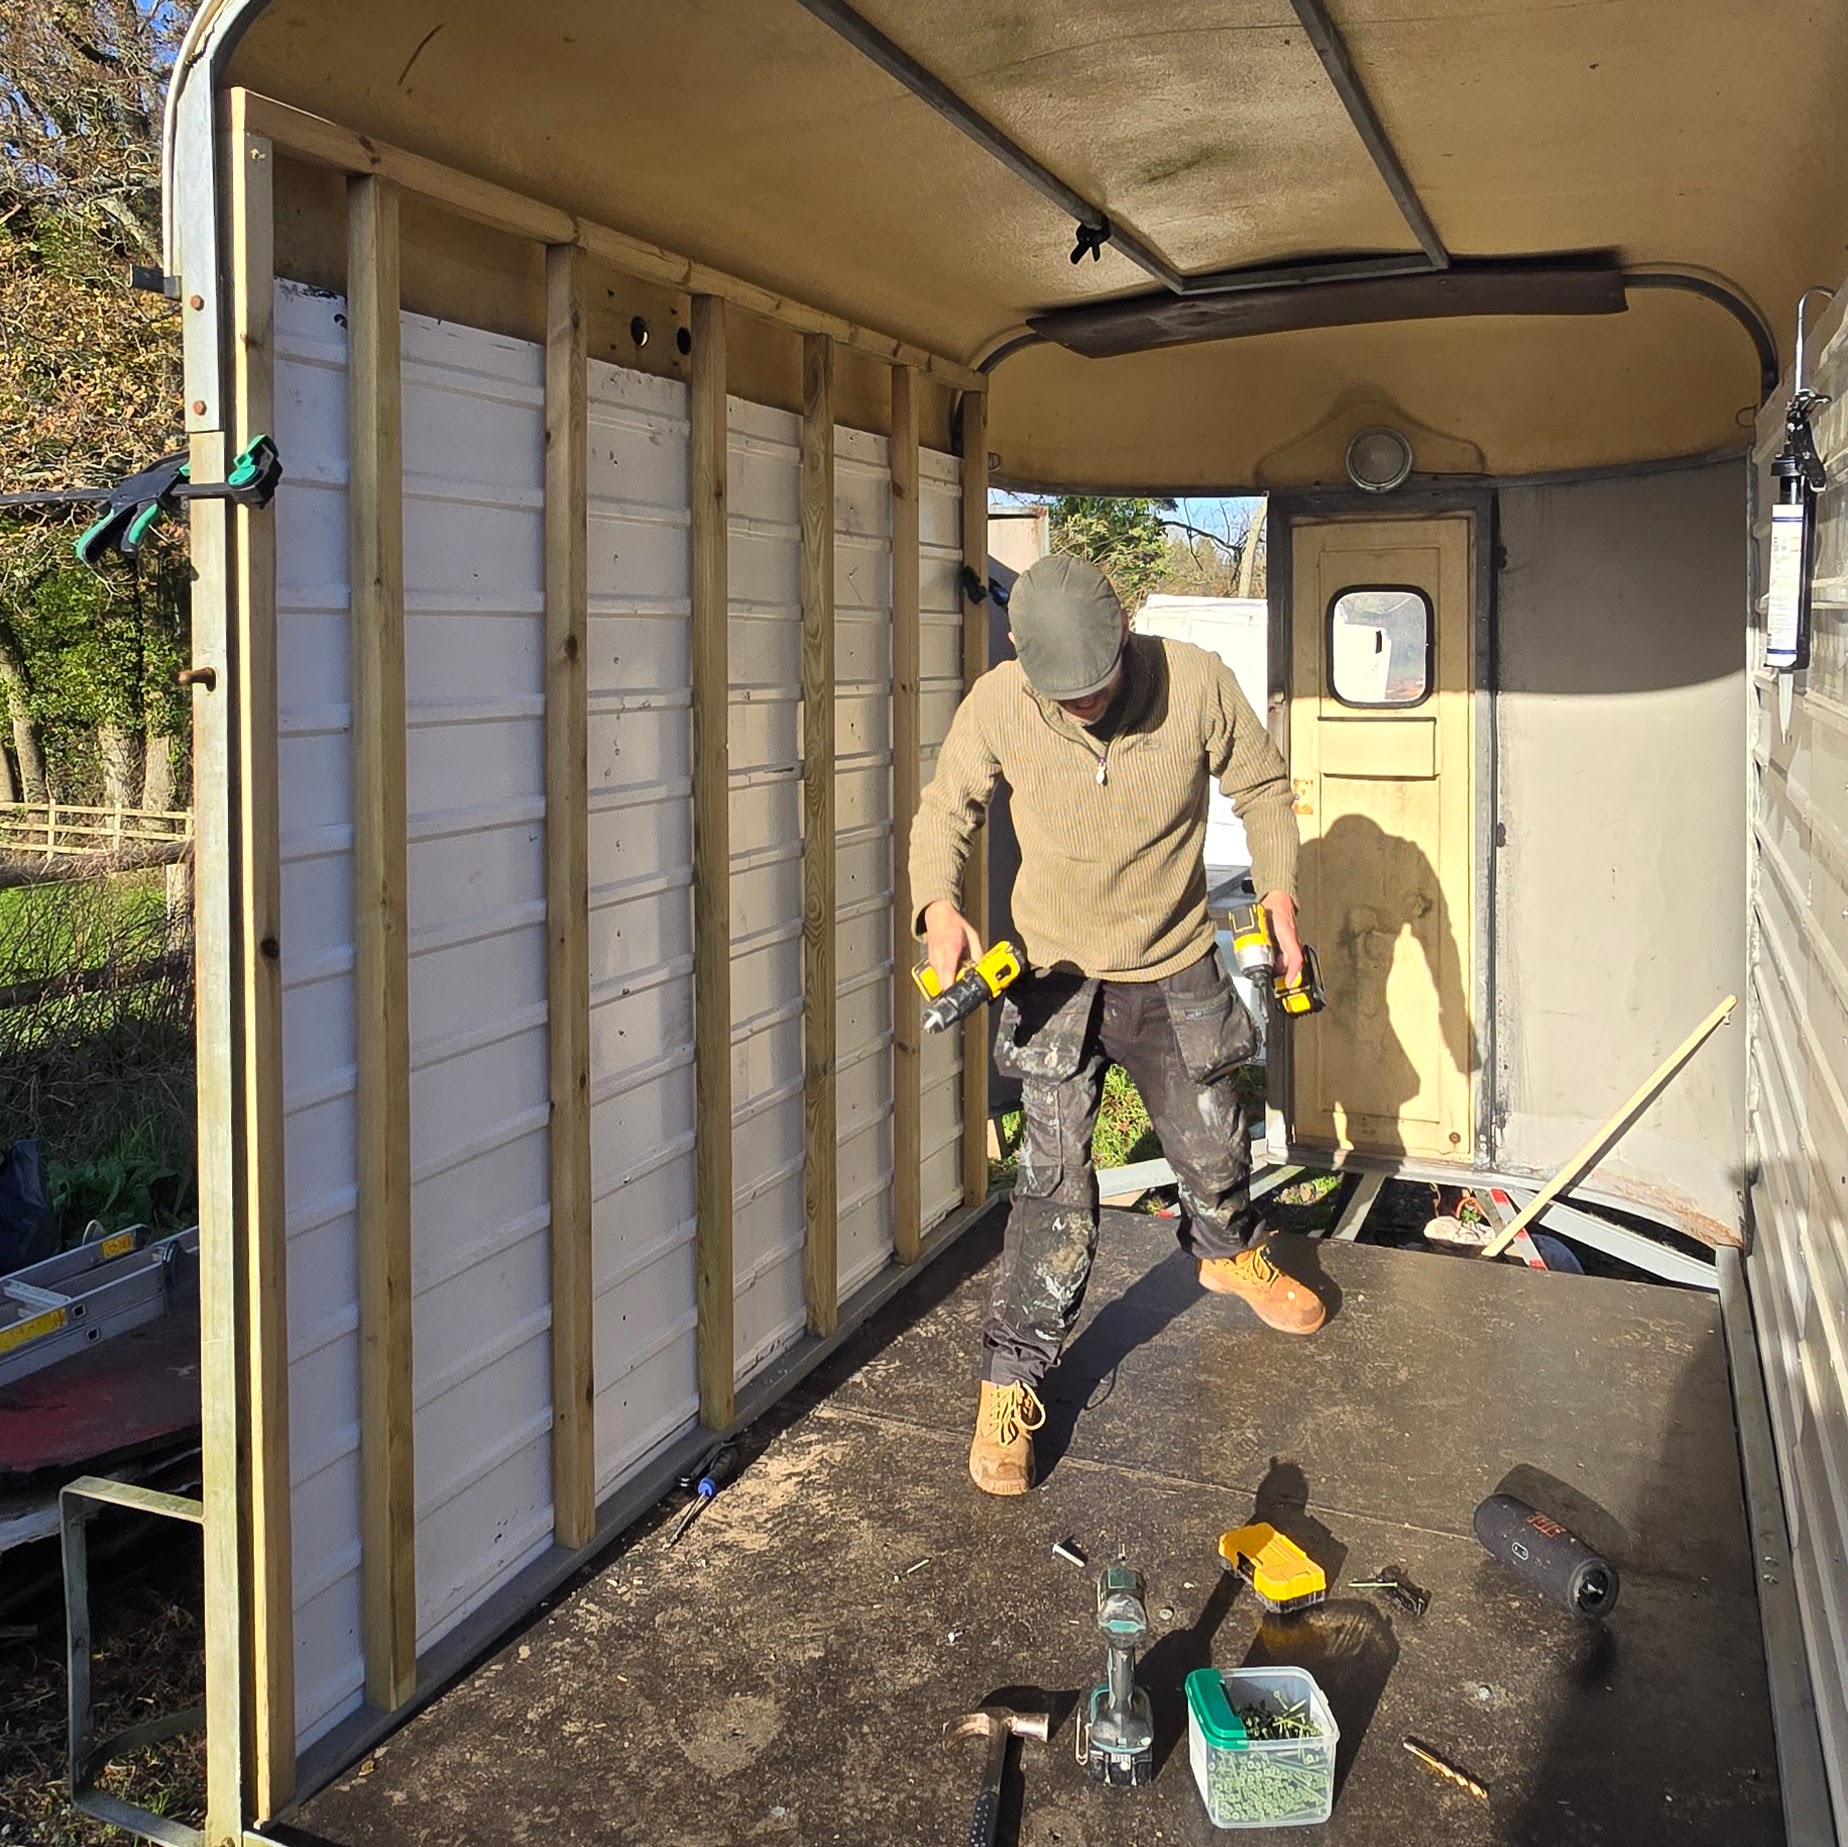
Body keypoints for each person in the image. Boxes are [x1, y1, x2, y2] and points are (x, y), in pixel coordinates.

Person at [909, 553, 1326, 1496]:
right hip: (1055, 976)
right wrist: (937, 906)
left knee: (1215, 1147)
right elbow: (947, 809)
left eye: (1096, 687)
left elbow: (1260, 787)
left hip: (1173, 963)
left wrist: (1282, 893)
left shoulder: (1197, 682)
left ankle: (1228, 1254)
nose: (1083, 705)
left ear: (1125, 634)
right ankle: (1010, 1381)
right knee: (1051, 1184)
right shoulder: (1001, 702)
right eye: (1065, 696)